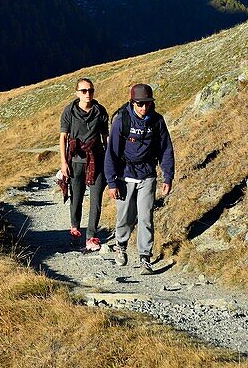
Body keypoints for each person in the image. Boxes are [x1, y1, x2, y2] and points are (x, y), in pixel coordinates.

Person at [104, 82, 175, 274]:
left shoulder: (157, 121)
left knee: (145, 217)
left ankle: (145, 258)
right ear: (132, 102)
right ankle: (121, 245)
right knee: (125, 216)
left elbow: (166, 150)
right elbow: (111, 154)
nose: (144, 107)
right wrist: (111, 182)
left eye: (147, 104)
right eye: (139, 104)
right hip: (125, 175)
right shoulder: (122, 120)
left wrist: (167, 177)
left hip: (148, 175)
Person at [59, 76, 109, 250]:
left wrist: (109, 159)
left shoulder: (100, 111)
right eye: (84, 91)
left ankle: (92, 237)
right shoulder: (69, 111)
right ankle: (75, 228)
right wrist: (64, 163)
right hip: (76, 161)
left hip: (97, 160)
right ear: (77, 93)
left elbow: (105, 137)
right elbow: (63, 138)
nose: (88, 93)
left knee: (96, 200)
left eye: (91, 90)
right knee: (76, 198)